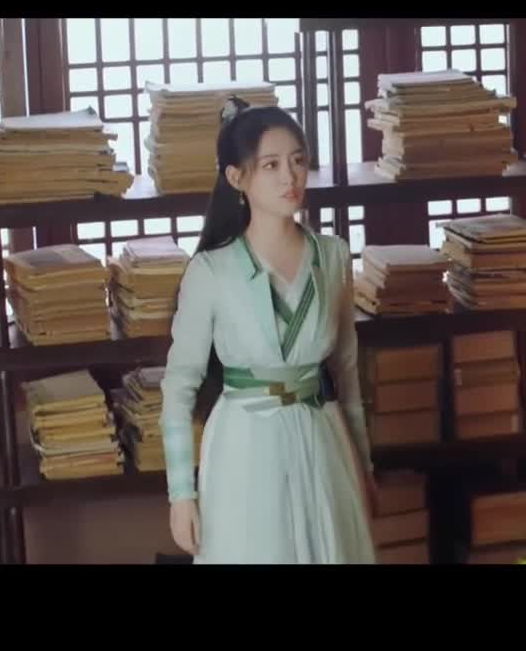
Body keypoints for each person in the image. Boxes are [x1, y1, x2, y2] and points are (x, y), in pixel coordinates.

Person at [160, 97, 378, 564]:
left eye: (298, 161)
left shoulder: (333, 256)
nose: (290, 177)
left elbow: (347, 373)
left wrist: (363, 465)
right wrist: (181, 494)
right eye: (271, 165)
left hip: (322, 436)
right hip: (243, 442)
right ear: (236, 177)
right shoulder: (211, 271)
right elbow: (178, 387)